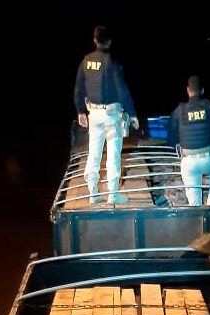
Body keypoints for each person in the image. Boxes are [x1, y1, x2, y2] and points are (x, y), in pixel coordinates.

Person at [74, 25, 139, 204]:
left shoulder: (86, 61)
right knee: (113, 155)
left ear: (95, 40)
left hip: (94, 114)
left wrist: (80, 111)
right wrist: (132, 114)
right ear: (109, 41)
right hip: (112, 117)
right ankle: (113, 194)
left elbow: (79, 88)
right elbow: (122, 90)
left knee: (94, 153)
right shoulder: (111, 62)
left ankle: (93, 193)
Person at [167, 75, 210, 206]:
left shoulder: (179, 111)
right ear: (202, 90)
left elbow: (171, 140)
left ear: (188, 90)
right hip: (209, 160)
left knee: (194, 204)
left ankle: (196, 209)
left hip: (189, 163)